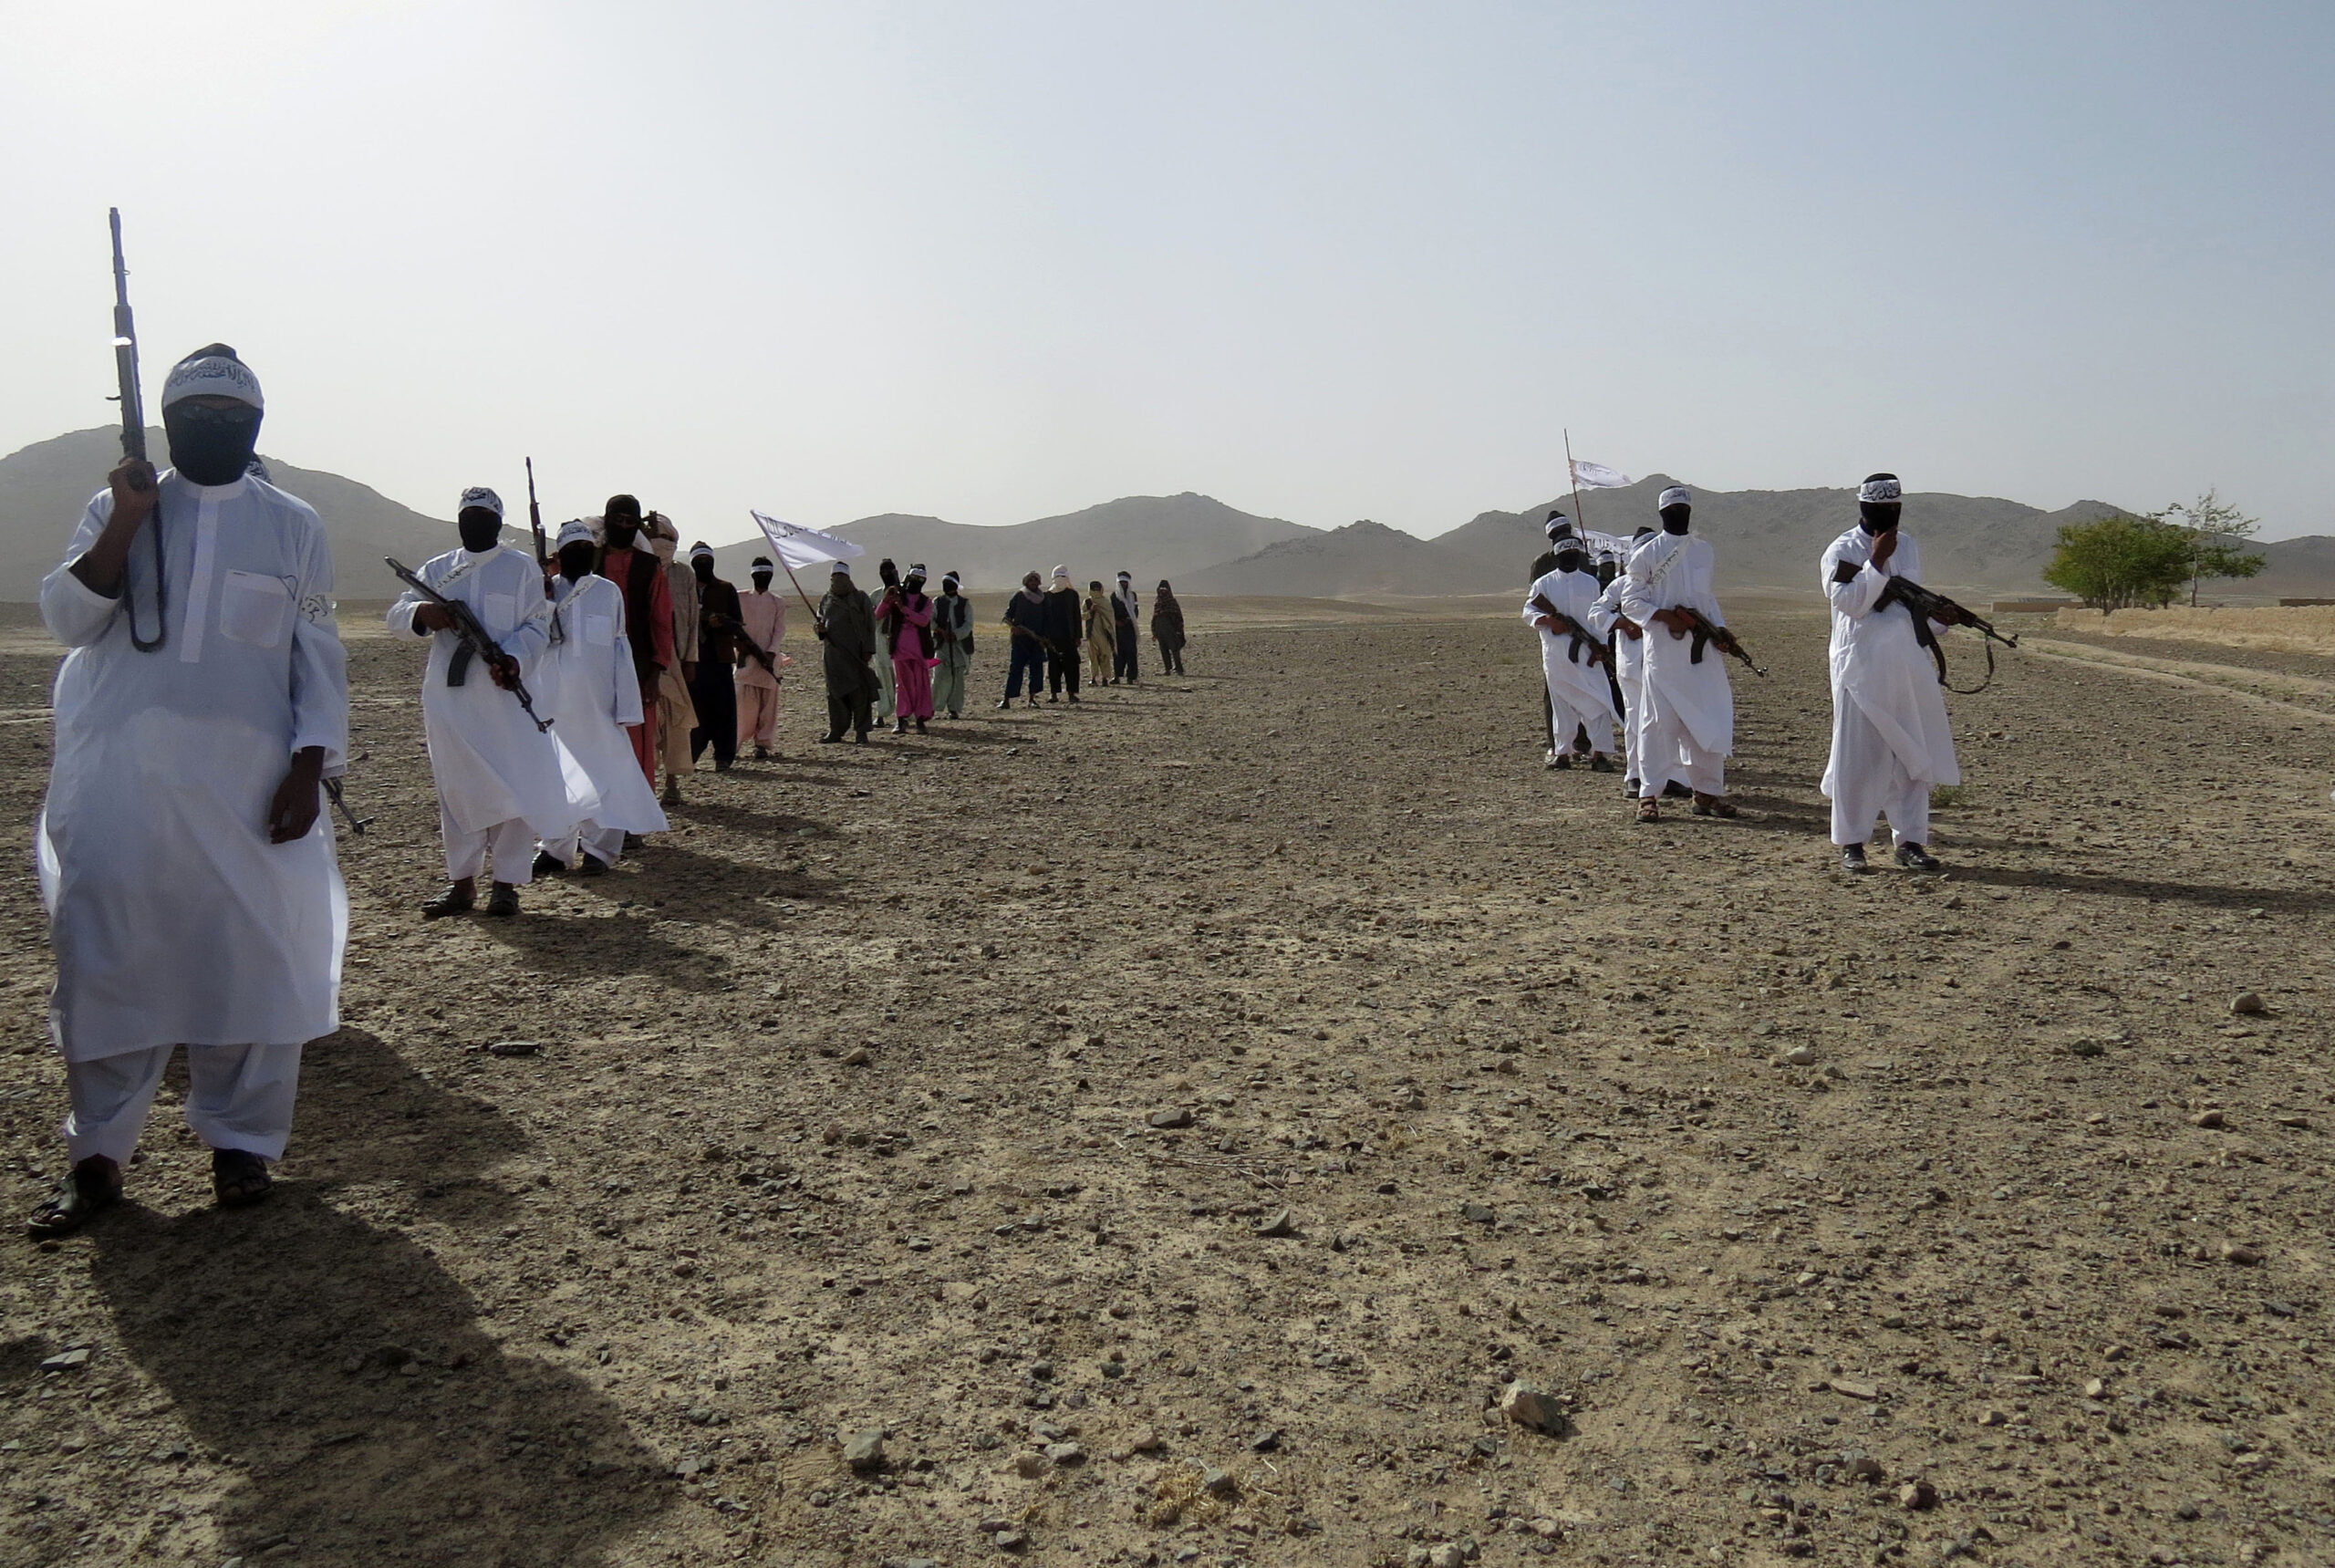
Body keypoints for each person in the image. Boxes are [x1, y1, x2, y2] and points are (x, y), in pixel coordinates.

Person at [29, 344, 346, 1232]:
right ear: (166, 424)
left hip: (249, 787)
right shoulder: (118, 505)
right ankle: (97, 1158)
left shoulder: (293, 525)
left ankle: (241, 1142)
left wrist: (309, 766)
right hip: (120, 782)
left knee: (251, 954)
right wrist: (128, 520)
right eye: (196, 417)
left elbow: (315, 655)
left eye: (231, 419)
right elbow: (68, 618)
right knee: (107, 956)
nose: (214, 430)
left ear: (257, 427)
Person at [389, 487, 578, 918]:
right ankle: (462, 884)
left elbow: (537, 623)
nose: (475, 524)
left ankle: (506, 885)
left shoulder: (520, 568)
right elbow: (396, 615)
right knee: (456, 791)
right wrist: (422, 613)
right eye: (468, 517)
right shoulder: (438, 569)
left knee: (513, 788)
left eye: (484, 518)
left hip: (504, 698)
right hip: (449, 701)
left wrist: (514, 659)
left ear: (498, 523)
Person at [1821, 474, 1959, 873]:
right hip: (1859, 669)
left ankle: (1911, 842)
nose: (1890, 515)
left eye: (1895, 508)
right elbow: (1850, 603)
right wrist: (1877, 561)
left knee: (1913, 756)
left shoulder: (1909, 544)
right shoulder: (1842, 549)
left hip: (1907, 667)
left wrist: (1940, 619)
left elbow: (1908, 608)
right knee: (1857, 760)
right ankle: (1852, 844)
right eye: (1882, 509)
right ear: (1864, 508)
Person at [535, 520, 669, 874]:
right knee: (555, 774)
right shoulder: (545, 590)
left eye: (586, 548)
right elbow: (535, 639)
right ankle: (555, 849)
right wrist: (543, 600)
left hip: (599, 705)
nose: (580, 554)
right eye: (572, 549)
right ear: (560, 555)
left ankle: (600, 850)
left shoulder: (607, 592)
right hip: (554, 703)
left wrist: (627, 703)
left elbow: (619, 648)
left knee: (606, 773)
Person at [1618, 486, 1737, 823]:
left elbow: (1706, 598)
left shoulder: (1703, 551)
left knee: (1708, 720)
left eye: (1683, 509)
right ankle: (1648, 795)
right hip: (1664, 655)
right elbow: (1630, 602)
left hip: (1702, 655)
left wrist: (1720, 629)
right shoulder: (1647, 554)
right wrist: (1664, 616)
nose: (1679, 515)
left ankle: (1707, 793)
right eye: (1673, 510)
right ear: (1662, 514)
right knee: (1658, 726)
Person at [595, 496, 676, 788]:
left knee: (636, 741)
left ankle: (635, 810)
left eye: (630, 522)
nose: (623, 526)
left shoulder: (648, 566)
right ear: (607, 520)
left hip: (638, 668)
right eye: (617, 520)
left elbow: (661, 621)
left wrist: (656, 671)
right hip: (593, 667)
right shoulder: (589, 560)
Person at [1523, 538, 1619, 772]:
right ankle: (1562, 753)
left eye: (1574, 553)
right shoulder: (1544, 583)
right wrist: (1548, 620)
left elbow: (1597, 615)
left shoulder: (1590, 583)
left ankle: (1600, 753)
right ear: (1557, 557)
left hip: (1587, 653)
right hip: (1556, 654)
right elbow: (1528, 611)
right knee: (1561, 705)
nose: (1571, 557)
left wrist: (1602, 645)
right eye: (1566, 554)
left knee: (1598, 700)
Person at [1588, 525, 1657, 795]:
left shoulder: (1668, 583)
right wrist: (1622, 623)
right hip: (1633, 664)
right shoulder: (1621, 584)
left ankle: (1672, 777)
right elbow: (1596, 612)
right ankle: (1635, 775)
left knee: (1669, 722)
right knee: (1637, 720)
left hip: (1666, 664)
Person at [643, 513, 698, 805]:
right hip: (643, 656)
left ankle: (672, 781)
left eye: (667, 539)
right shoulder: (639, 569)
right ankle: (645, 783)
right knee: (647, 719)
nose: (662, 544)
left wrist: (690, 659)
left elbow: (692, 619)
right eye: (656, 538)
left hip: (675, 658)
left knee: (676, 719)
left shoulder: (683, 574)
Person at [687, 543, 742, 772]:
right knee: (694, 709)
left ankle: (723, 756)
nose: (703, 565)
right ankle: (689, 756)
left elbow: (737, 622)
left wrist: (720, 623)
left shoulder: (725, 589)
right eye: (699, 562)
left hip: (719, 657)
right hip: (692, 658)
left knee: (723, 709)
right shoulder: (685, 588)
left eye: (707, 561)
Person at [816, 563, 879, 742]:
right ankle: (836, 731)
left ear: (848, 578)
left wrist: (869, 649)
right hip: (833, 653)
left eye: (841, 576)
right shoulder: (826, 599)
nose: (838, 580)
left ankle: (861, 731)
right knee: (835, 693)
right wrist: (819, 629)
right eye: (834, 576)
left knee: (859, 692)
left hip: (855, 652)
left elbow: (870, 624)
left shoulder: (860, 598)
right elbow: (820, 620)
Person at [735, 555, 786, 759]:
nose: (763, 577)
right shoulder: (740, 598)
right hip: (745, 660)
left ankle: (762, 744)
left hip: (769, 662)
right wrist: (740, 646)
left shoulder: (777, 602)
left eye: (766, 574)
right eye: (759, 573)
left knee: (768, 706)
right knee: (743, 706)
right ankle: (735, 743)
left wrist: (770, 652)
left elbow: (779, 630)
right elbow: (735, 627)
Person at [883, 564, 939, 734]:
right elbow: (878, 614)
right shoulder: (897, 597)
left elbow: (923, 621)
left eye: (920, 579)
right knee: (902, 685)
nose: (916, 582)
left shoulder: (926, 602)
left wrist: (904, 609)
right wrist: (887, 599)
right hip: (900, 649)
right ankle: (901, 719)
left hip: (919, 650)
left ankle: (921, 720)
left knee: (921, 685)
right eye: (914, 578)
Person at [998, 571, 1047, 709]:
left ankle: (1032, 699)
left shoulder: (1043, 598)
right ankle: (1006, 699)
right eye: (1031, 580)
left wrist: (1044, 638)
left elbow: (1047, 618)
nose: (1033, 583)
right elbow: (1007, 616)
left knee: (1036, 669)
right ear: (1026, 582)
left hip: (1036, 640)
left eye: (1036, 580)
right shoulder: (1019, 596)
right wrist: (1014, 628)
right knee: (1015, 669)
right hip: (1020, 639)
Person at [931, 572, 973, 719]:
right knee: (939, 676)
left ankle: (954, 708)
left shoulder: (964, 603)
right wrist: (940, 630)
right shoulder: (937, 602)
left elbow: (968, 624)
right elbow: (930, 620)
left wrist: (955, 635)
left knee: (957, 679)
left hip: (959, 646)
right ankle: (933, 707)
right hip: (941, 645)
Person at [1042, 566, 1084, 703]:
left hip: (1069, 637)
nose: (1061, 580)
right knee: (1053, 666)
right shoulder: (1046, 596)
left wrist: (1078, 636)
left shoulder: (1072, 595)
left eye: (1063, 577)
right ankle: (1053, 693)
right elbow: (1044, 618)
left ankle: (1071, 693)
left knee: (1072, 665)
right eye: (1058, 577)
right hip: (1052, 638)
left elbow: (1076, 617)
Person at [869, 557, 902, 724]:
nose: (886, 574)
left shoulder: (904, 593)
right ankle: (881, 714)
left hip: (901, 642)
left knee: (901, 679)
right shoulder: (875, 595)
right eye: (883, 571)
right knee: (882, 679)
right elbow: (871, 619)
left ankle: (902, 715)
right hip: (881, 643)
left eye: (890, 571)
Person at [1083, 578, 1116, 686]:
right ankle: (1094, 678)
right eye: (1094, 589)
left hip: (1104, 634)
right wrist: (1091, 611)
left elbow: (1110, 618)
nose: (1096, 591)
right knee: (1093, 656)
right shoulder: (1087, 602)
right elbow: (1082, 616)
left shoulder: (1105, 603)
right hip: (1091, 633)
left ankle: (1104, 678)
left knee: (1104, 656)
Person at [1110, 571, 1141, 684]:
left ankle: (1131, 677)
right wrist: (1116, 621)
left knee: (1131, 653)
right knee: (1118, 652)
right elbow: (1111, 611)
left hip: (1130, 628)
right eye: (1121, 582)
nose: (1123, 584)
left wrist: (1129, 619)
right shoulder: (1114, 596)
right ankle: (1117, 676)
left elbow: (1135, 610)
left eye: (1125, 582)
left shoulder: (1133, 595)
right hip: (1118, 629)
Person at [1152, 580, 1188, 675]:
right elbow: (1155, 616)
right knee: (1163, 649)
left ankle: (1179, 669)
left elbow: (1178, 617)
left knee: (1174, 648)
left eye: (1165, 589)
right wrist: (1154, 631)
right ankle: (1167, 669)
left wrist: (1179, 630)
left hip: (1171, 630)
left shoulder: (1172, 602)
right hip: (1160, 629)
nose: (1163, 591)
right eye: (1161, 589)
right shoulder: (1158, 601)